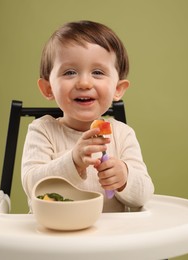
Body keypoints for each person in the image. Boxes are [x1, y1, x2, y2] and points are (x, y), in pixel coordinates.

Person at [21, 20, 154, 212]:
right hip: (55, 237)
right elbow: (32, 186)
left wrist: (124, 177)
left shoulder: (122, 134)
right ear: (48, 88)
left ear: (118, 89)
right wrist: (72, 161)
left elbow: (144, 195)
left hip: (112, 238)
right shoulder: (42, 130)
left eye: (98, 72)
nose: (84, 83)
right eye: (70, 72)